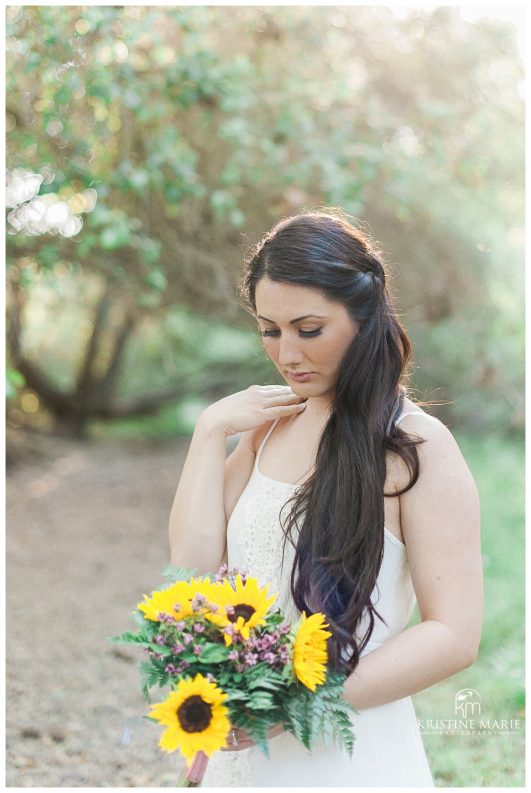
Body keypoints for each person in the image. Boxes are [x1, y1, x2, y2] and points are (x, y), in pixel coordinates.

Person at [168, 209, 483, 786]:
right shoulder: (269, 427)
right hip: (245, 744)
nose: (287, 354)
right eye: (270, 330)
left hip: (346, 744)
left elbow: (454, 636)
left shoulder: (416, 448)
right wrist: (210, 432)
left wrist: (290, 706)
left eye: (308, 330)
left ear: (363, 318)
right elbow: (192, 570)